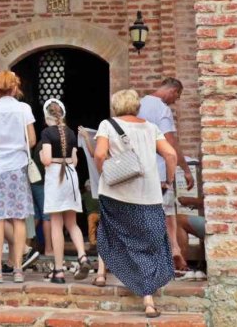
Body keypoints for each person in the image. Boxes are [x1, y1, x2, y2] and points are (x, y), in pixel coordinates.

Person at [94, 89, 177, 319]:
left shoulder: (107, 125)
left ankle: (102, 274)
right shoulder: (151, 128)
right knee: (148, 244)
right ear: (137, 106)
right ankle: (148, 299)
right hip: (149, 196)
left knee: (111, 235)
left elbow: (99, 155)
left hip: (116, 195)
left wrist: (104, 173)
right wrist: (168, 180)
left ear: (115, 106)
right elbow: (170, 155)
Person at [0, 70, 36, 284]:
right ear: (15, 87)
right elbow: (32, 140)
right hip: (17, 166)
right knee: (19, 218)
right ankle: (18, 269)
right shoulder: (24, 109)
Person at [137, 77, 192, 273]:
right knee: (167, 214)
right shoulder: (162, 109)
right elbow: (170, 142)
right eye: (177, 96)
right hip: (160, 170)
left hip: (139, 170)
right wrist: (185, 169)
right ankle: (169, 255)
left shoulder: (139, 104)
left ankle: (167, 253)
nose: (175, 101)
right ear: (172, 91)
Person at [39, 99, 92, 283]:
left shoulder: (47, 133)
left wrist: (41, 155)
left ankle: (59, 271)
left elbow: (46, 159)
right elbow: (75, 161)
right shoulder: (70, 132)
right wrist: (65, 160)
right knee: (72, 223)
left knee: (56, 224)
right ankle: (82, 256)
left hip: (55, 177)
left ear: (47, 116)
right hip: (70, 176)